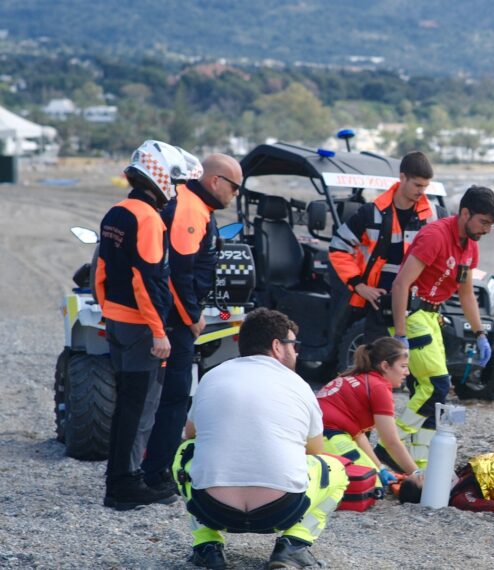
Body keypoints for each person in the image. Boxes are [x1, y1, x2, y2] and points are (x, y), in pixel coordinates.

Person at [172, 308, 347, 570]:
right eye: (293, 345)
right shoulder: (298, 385)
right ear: (277, 346)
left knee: (185, 453)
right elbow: (315, 452)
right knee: (335, 469)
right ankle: (293, 546)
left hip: (212, 507)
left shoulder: (212, 377)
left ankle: (206, 546)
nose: (296, 352)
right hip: (282, 508)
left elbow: (191, 435)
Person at [95, 140, 201, 510]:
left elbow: (101, 272)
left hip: (118, 323)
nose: (175, 186)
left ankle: (120, 480)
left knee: (126, 405)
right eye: (173, 178)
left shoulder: (115, 213)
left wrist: (109, 312)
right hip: (142, 328)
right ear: (158, 175)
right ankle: (125, 485)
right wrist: (159, 331)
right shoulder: (149, 219)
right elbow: (148, 279)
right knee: (141, 408)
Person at [141, 153, 243, 494]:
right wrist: (193, 316)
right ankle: (156, 474)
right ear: (215, 181)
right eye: (235, 187)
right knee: (173, 397)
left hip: (169, 316)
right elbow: (178, 272)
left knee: (159, 395)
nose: (235, 195)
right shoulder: (189, 208)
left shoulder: (194, 205)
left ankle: (147, 467)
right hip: (174, 320)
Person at [389, 185, 494, 465]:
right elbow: (401, 283)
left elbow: (465, 294)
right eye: (483, 222)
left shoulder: (470, 248)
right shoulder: (435, 236)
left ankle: (418, 463)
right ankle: (390, 447)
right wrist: (400, 334)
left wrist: (480, 334)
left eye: (491, 224)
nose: (488, 230)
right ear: (465, 213)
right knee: (436, 385)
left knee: (429, 392)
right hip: (413, 315)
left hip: (432, 318)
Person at [329, 151, 440, 344]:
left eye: (426, 186)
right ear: (402, 177)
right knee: (379, 366)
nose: (422, 191)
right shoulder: (370, 213)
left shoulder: (434, 216)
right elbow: (338, 248)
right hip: (379, 304)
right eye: (417, 185)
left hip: (419, 307)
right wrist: (359, 286)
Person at [315, 337, 424, 484]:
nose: (408, 372)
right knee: (371, 483)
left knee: (375, 474)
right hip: (326, 435)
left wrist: (379, 467)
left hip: (320, 434)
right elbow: (391, 441)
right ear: (385, 366)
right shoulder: (378, 387)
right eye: (403, 366)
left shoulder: (357, 376)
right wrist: (417, 473)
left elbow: (358, 434)